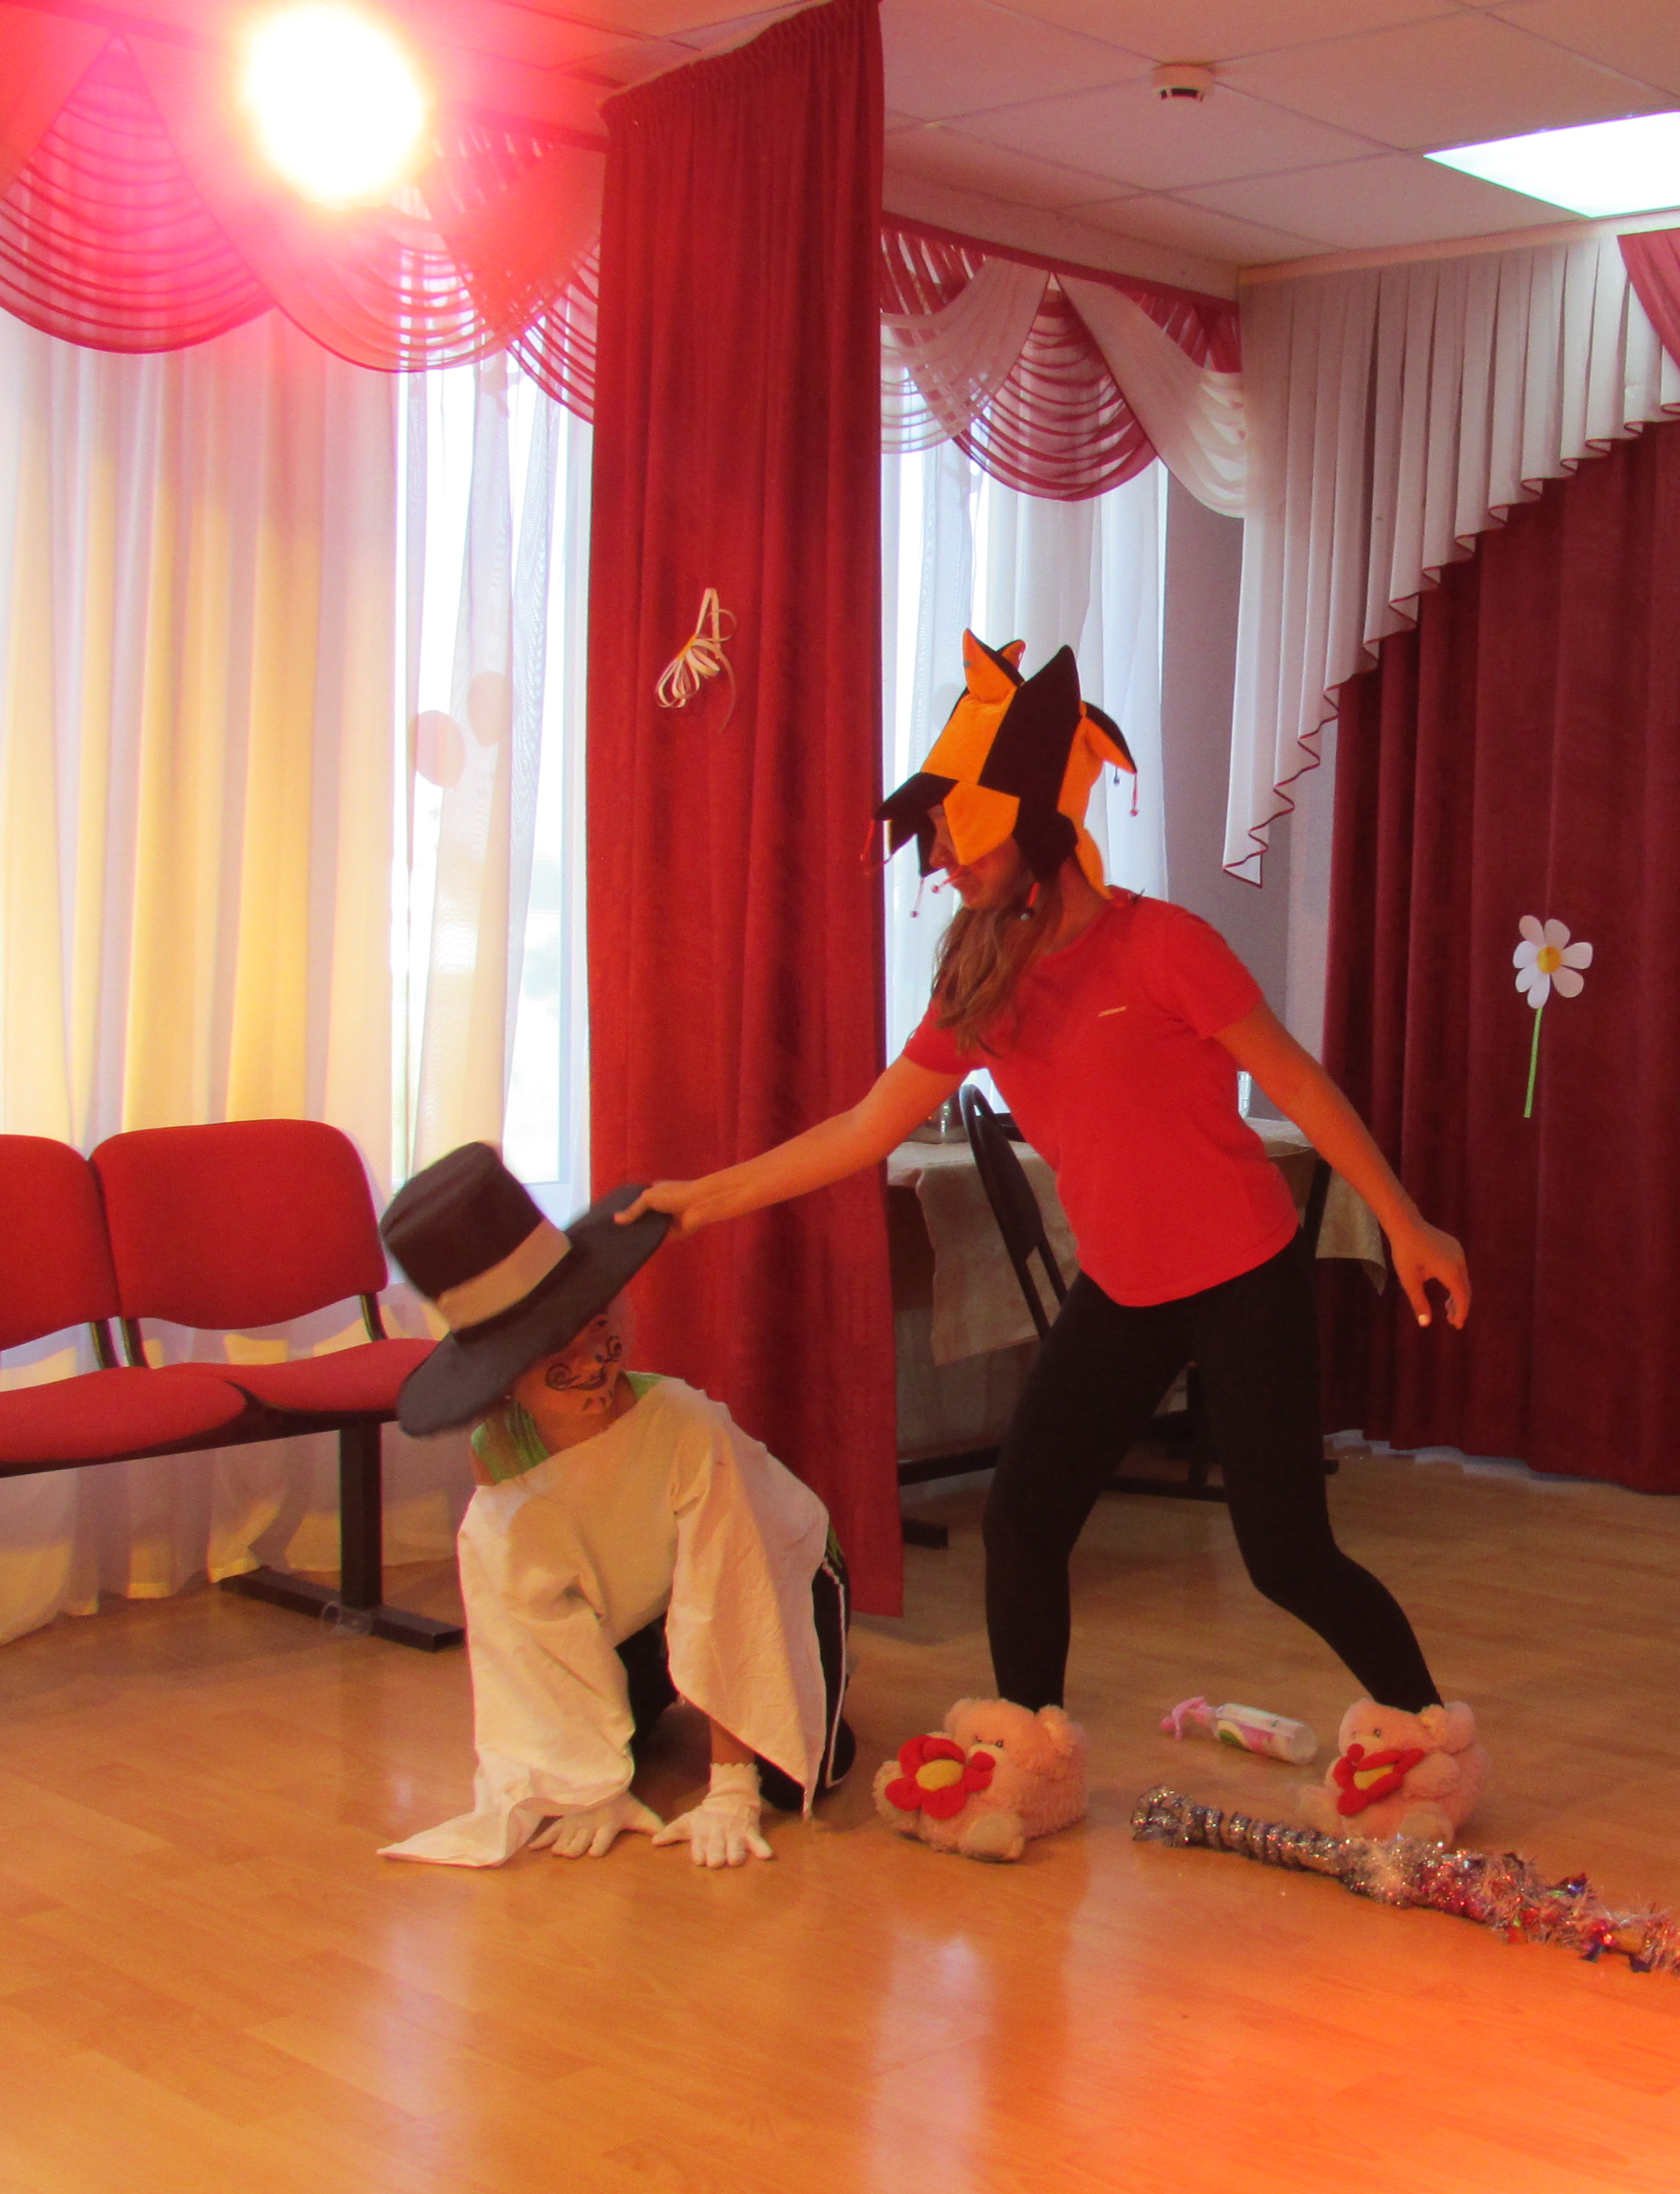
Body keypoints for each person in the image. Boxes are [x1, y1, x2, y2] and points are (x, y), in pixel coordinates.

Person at [626, 635, 1478, 1854]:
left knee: (1286, 1554)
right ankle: (1031, 1759)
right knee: (1025, 1518)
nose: (945, 863)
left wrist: (1404, 1221)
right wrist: (701, 1202)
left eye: (962, 837)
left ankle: (1425, 1746)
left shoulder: (1166, 945)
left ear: (1036, 821)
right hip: (1123, 1289)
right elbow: (864, 1130)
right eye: (939, 843)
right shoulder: (979, 983)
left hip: (1243, 1276)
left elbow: (1300, 1085)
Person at [375, 1143, 854, 1869]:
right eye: (558, 1360)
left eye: (598, 1329)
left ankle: (809, 1679)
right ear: (505, 1378)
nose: (595, 1366)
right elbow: (529, 1614)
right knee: (599, 1758)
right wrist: (585, 1784)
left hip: (781, 1572)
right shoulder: (497, 1454)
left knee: (797, 1773)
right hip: (636, 1605)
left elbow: (732, 1584)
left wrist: (732, 1784)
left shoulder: (683, 1427)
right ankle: (672, 1688)